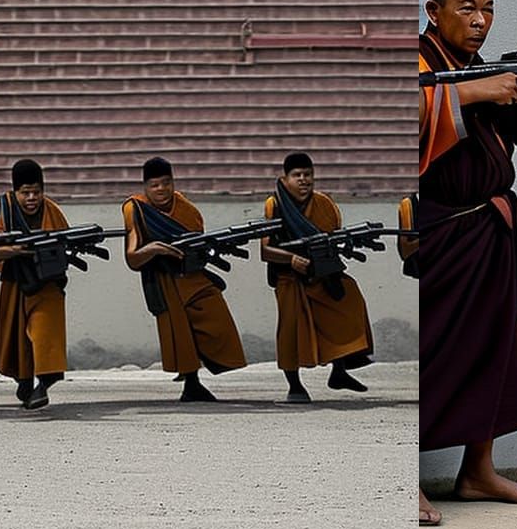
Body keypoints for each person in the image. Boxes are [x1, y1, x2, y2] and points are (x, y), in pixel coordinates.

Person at [418, 0, 517, 524]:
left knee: (495, 347)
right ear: (434, 12)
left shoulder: (480, 68)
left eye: (488, 9)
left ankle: (477, 470)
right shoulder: (417, 64)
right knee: (434, 350)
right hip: (441, 231)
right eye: (467, 7)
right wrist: (477, 91)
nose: (481, 20)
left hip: (491, 229)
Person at [121, 156, 248, 402]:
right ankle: (192, 383)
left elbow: (198, 246)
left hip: (193, 275)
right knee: (180, 332)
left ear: (173, 183)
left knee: (217, 320)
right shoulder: (134, 208)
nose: (161, 189)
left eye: (166, 183)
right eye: (154, 185)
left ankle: (213, 365)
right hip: (164, 278)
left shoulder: (188, 210)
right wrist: (156, 249)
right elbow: (132, 258)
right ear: (145, 187)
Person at [260, 151, 374, 403]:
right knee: (291, 330)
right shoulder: (275, 204)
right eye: (297, 175)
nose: (303, 180)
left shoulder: (324, 203)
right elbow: (265, 250)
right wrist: (291, 259)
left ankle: (340, 370)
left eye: (308, 175)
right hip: (289, 277)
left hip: (321, 273)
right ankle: (295, 385)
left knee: (349, 296)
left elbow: (334, 237)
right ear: (285, 178)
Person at [0, 159, 69, 409]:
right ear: (15, 191)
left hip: (47, 283)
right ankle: (25, 379)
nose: (31, 198)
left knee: (45, 333)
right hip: (15, 282)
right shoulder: (0, 208)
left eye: (36, 192)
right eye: (25, 193)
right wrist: (13, 250)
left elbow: (66, 246)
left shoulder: (53, 211)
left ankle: (44, 384)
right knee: (16, 339)